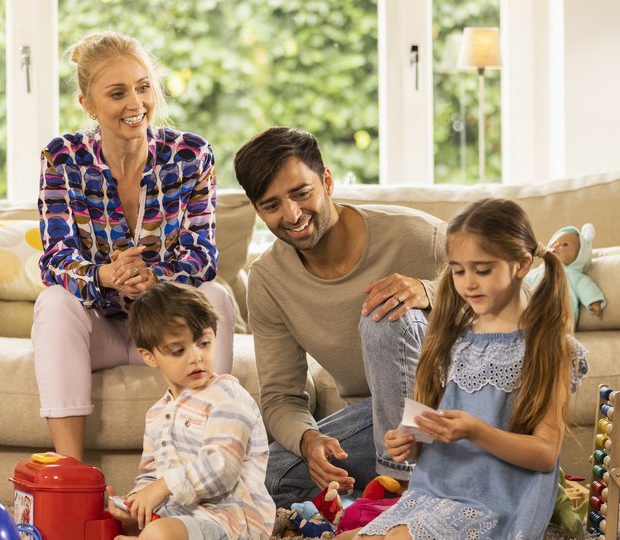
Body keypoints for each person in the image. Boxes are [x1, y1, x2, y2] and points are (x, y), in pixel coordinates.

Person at [33, 30, 236, 461]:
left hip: (168, 327)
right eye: (117, 93)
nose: (136, 104)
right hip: (101, 329)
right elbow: (55, 257)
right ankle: (71, 471)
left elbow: (203, 253)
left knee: (217, 295)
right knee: (53, 303)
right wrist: (107, 275)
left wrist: (154, 278)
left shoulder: (191, 155)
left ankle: (209, 457)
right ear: (88, 103)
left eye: (143, 88)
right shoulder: (62, 158)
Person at [340, 198, 589, 539]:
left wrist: (475, 431)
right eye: (458, 270)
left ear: (521, 264)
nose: (468, 283)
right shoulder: (452, 339)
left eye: (482, 270)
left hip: (494, 506)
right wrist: (407, 444)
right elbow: (424, 429)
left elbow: (545, 454)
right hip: (429, 496)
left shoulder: (549, 348)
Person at [233, 127, 448, 507]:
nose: (293, 214)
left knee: (386, 312)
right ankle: (392, 489)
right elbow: (282, 397)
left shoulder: (416, 235)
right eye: (272, 205)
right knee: (265, 479)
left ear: (327, 181)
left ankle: (407, 500)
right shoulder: (267, 281)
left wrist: (430, 291)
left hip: (455, 405)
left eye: (302, 193)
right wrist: (308, 439)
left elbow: (525, 287)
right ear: (257, 210)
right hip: (380, 423)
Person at [106, 282, 274, 540]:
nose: (196, 357)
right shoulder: (156, 413)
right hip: (179, 517)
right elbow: (150, 475)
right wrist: (137, 501)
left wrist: (163, 487)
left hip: (230, 522)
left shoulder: (228, 397)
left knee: (158, 534)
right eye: (178, 350)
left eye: (204, 343)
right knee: (121, 525)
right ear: (149, 357)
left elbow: (222, 467)